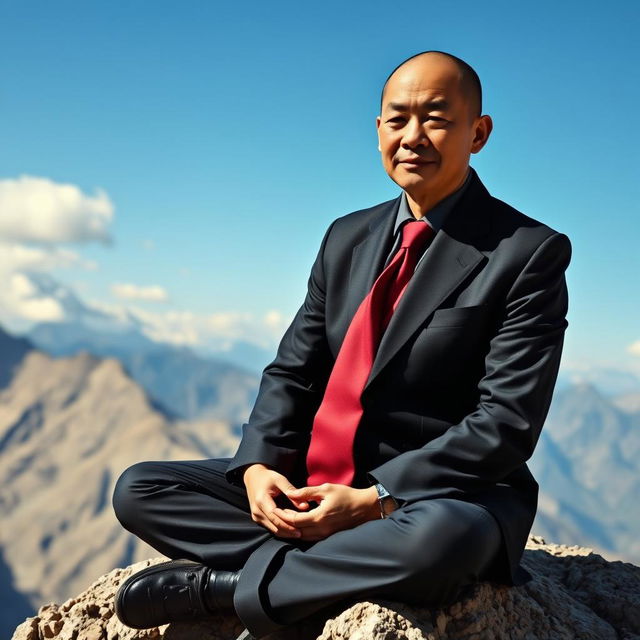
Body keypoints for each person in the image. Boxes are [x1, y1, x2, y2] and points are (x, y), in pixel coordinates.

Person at [112, 50, 571, 640]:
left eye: (435, 118)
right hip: (315, 481)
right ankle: (321, 573)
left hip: (426, 501)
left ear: (477, 133)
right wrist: (256, 470)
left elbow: (506, 422)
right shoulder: (346, 237)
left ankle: (222, 588)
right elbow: (293, 373)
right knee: (142, 489)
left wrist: (374, 500)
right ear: (378, 129)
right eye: (397, 118)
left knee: (445, 542)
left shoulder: (526, 252)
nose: (412, 136)